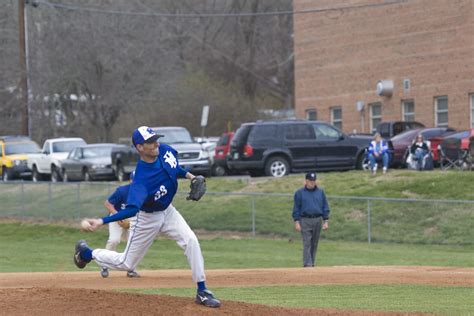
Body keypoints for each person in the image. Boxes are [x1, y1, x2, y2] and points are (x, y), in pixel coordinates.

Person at [73, 126, 221, 308]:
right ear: (140, 147)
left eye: (155, 139)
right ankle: (86, 253)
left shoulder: (165, 150)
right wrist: (102, 221)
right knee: (126, 263)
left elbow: (175, 169)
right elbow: (132, 210)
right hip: (147, 218)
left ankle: (202, 291)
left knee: (191, 241)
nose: (156, 143)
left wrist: (191, 177)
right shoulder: (141, 179)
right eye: (150, 141)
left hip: (168, 211)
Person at [100, 171, 139, 278]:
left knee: (134, 243)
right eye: (135, 180)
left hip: (132, 218)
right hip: (116, 215)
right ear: (131, 180)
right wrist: (118, 216)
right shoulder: (122, 191)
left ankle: (131, 269)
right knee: (114, 240)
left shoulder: (143, 193)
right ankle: (104, 265)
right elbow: (108, 204)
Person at [292, 172, 330, 267]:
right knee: (307, 242)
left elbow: (325, 206)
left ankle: (312, 263)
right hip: (305, 220)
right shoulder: (299, 193)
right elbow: (296, 208)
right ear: (306, 181)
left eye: (314, 181)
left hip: (317, 219)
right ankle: (307, 264)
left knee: (314, 243)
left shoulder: (320, 192)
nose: (312, 183)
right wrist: (297, 222)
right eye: (310, 181)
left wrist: (325, 221)